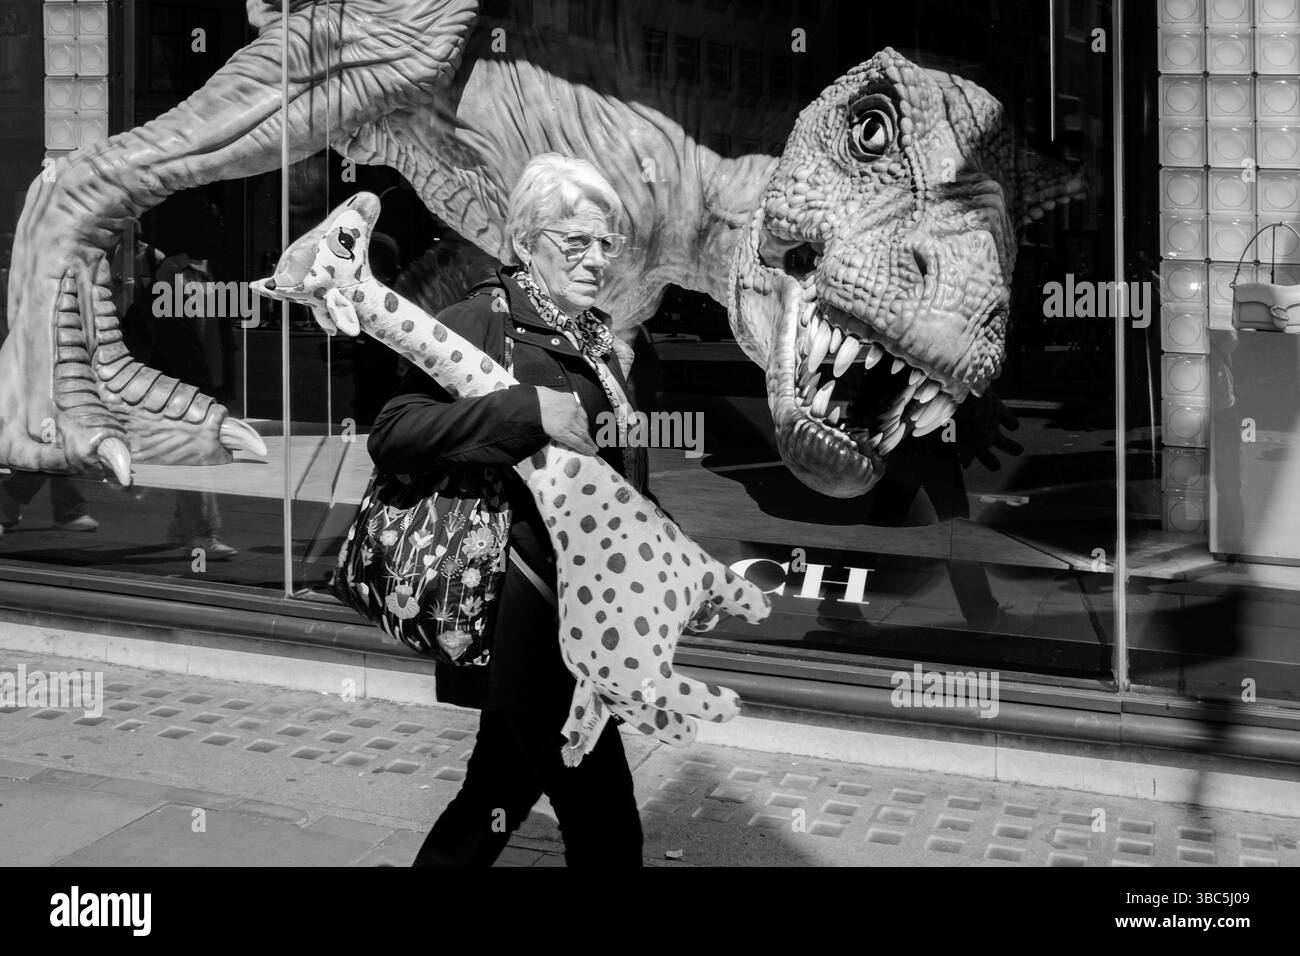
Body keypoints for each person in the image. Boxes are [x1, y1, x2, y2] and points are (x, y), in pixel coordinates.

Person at [367, 154, 647, 867]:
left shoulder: (596, 336)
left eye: (605, 244)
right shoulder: (480, 322)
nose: (595, 260)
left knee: (493, 797)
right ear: (526, 242)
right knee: (607, 825)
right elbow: (394, 433)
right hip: (525, 612)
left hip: (583, 615)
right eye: (575, 242)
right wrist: (528, 409)